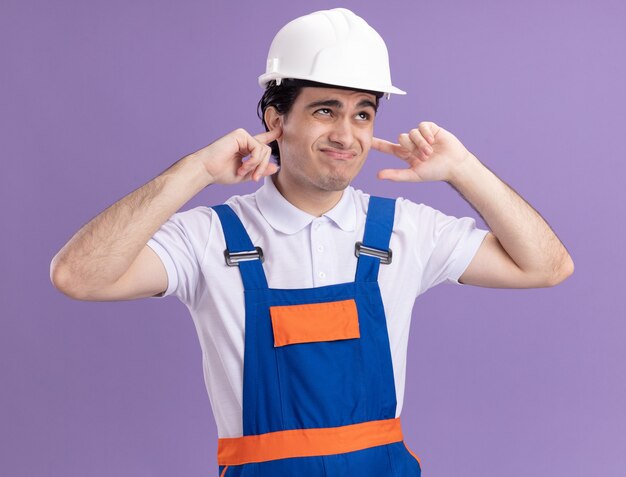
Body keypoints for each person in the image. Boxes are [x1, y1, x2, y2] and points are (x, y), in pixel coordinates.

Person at [50, 8, 574, 477]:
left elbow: (547, 267)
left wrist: (464, 170)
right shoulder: (208, 238)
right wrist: (195, 172)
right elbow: (78, 276)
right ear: (275, 120)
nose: (347, 135)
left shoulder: (404, 230)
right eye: (326, 110)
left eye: (362, 113)